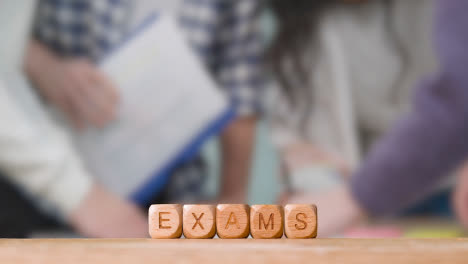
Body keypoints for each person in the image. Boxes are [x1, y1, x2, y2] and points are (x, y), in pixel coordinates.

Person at [17, 0, 265, 237]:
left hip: (169, 191)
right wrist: (45, 67)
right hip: (45, 183)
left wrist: (232, 195)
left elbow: (238, 81)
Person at [267, 0, 468, 236]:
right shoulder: (303, 30)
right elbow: (300, 139)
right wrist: (317, 187)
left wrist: (353, 200)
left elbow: (458, 100)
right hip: (366, 196)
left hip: (446, 189)